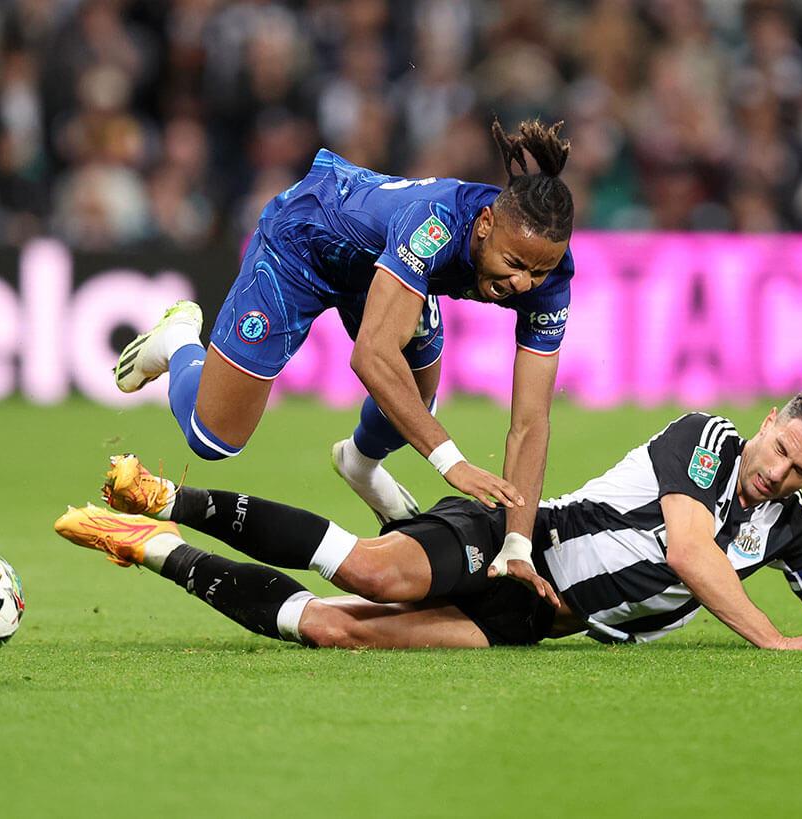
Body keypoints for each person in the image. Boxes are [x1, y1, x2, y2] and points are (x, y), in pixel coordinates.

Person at [53, 388, 802, 650]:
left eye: (798, 473)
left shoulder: (788, 524)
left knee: (337, 630)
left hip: (539, 616)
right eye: (778, 451)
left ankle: (152, 547)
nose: (774, 475)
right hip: (515, 538)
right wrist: (771, 642)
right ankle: (166, 495)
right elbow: (693, 552)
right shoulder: (711, 440)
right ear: (769, 422)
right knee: (368, 571)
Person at [112, 119, 575, 587]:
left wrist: (518, 545)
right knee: (212, 440)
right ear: (485, 224)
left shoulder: (551, 278)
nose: (523, 284)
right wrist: (451, 463)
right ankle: (178, 341)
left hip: (382, 268)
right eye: (514, 264)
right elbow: (371, 356)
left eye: (539, 272)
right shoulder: (434, 225)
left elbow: (531, 420)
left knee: (413, 399)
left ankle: (359, 462)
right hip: (304, 243)